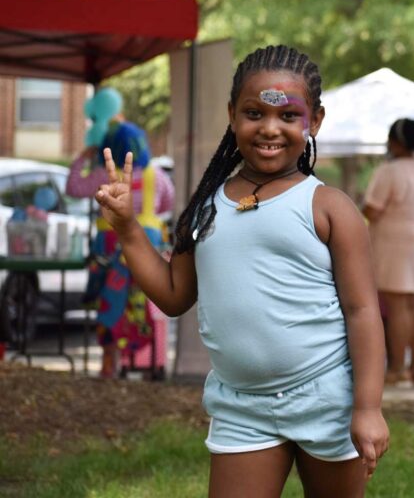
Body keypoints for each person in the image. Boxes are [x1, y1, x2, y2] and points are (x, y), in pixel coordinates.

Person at [94, 45, 389, 496]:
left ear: (315, 120)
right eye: (254, 113)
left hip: (327, 396)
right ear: (232, 114)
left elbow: (363, 310)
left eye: (289, 116)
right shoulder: (205, 207)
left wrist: (367, 407)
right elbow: (175, 295)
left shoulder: (329, 207)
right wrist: (129, 229)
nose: (270, 128)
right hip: (240, 405)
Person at [66, 87, 175, 378]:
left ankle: (109, 363)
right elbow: (167, 203)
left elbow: (74, 188)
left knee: (111, 305)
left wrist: (85, 156)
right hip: (149, 249)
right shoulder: (157, 175)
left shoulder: (104, 175)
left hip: (111, 250)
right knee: (147, 305)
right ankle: (148, 362)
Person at [363, 118, 414, 386]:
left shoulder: (389, 171)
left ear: (396, 142)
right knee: (410, 304)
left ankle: (396, 369)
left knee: (396, 307)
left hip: (391, 240)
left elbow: (372, 210)